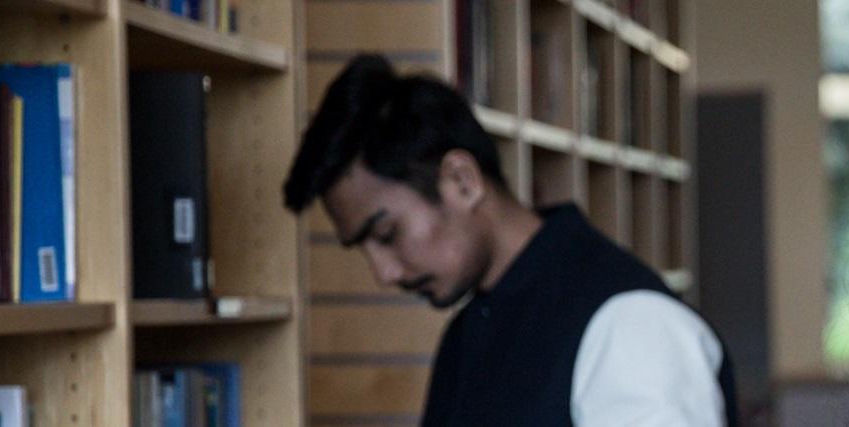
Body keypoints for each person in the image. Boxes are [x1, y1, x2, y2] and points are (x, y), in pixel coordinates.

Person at [282, 54, 739, 426]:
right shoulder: (469, 333)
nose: (383, 273)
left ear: (462, 181)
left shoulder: (630, 326)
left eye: (386, 234)